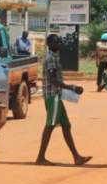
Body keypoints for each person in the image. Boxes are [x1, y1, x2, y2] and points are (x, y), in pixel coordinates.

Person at [35, 34, 91, 166]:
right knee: (50, 125)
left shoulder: (53, 57)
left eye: (59, 42)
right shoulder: (50, 59)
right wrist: (71, 87)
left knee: (66, 125)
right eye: (56, 42)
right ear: (50, 44)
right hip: (52, 96)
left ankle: (76, 157)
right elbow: (53, 80)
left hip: (56, 96)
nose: (59, 44)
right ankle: (40, 157)